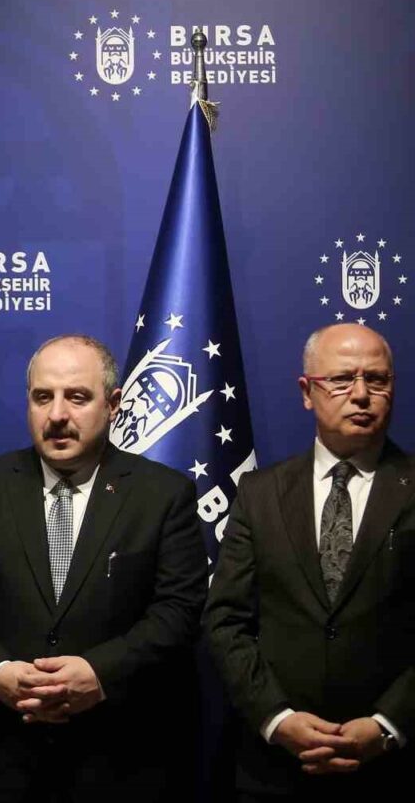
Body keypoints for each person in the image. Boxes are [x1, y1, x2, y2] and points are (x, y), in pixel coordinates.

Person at [0, 334, 207, 801]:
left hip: (121, 760)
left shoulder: (164, 494)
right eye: (42, 397)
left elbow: (179, 609)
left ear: (113, 404)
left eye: (77, 397)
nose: (57, 414)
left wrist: (100, 673)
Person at [206, 324, 412, 798]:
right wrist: (277, 718)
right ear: (306, 392)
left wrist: (387, 725)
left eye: (376, 379)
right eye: (341, 380)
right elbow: (225, 620)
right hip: (273, 771)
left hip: (395, 771)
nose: (360, 394)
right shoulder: (259, 494)